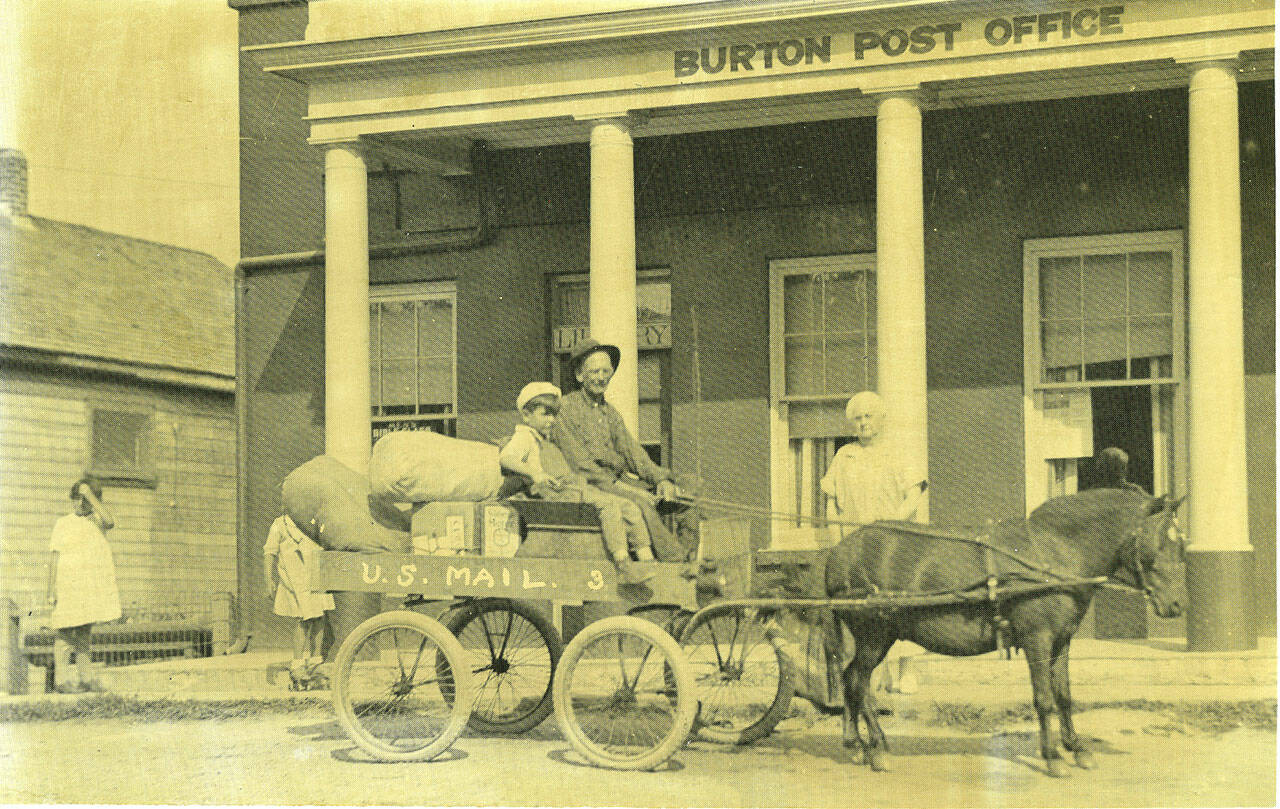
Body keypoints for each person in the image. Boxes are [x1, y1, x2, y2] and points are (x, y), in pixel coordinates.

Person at [820, 390, 927, 696]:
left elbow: (914, 494)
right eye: (857, 418)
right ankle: (877, 671)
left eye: (869, 416)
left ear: (882, 419)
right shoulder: (845, 455)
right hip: (858, 545)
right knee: (869, 609)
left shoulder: (898, 451)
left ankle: (907, 672)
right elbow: (831, 501)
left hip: (896, 543)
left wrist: (889, 523)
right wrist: (836, 539)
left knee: (901, 606)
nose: (863, 423)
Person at [551, 339, 694, 563]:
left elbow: (633, 453)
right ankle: (673, 562)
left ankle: (691, 554)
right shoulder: (566, 410)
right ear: (580, 375)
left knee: (688, 489)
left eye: (606, 371)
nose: (602, 377)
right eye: (595, 371)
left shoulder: (610, 413)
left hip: (620, 481)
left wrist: (660, 480)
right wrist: (631, 490)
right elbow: (581, 466)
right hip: (592, 486)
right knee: (643, 502)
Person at [501, 382, 656, 585]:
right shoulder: (525, 437)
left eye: (553, 415)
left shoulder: (545, 437)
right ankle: (623, 565)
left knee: (629, 507)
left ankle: (648, 561)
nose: (551, 420)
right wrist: (535, 473)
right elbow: (506, 457)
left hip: (575, 488)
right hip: (559, 494)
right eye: (544, 414)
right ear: (526, 415)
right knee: (609, 506)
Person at [46, 476, 121, 693]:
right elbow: (53, 558)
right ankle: (61, 681)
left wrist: (90, 494)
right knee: (65, 633)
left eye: (84, 500)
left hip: (88, 586)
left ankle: (85, 678)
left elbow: (110, 521)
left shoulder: (97, 521)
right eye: (76, 499)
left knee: (83, 633)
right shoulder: (63, 523)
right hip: (67, 585)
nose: (80, 504)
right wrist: (50, 590)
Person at [263, 513, 335, 690]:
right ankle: (297, 664)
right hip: (294, 579)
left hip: (316, 574)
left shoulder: (314, 521)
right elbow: (269, 552)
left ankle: (316, 660)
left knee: (319, 616)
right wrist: (268, 579)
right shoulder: (279, 524)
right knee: (303, 618)